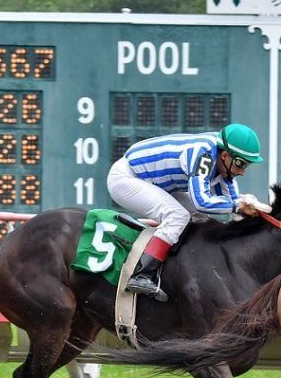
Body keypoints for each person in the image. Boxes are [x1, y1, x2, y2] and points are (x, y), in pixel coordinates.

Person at [106, 123, 266, 301]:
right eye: (240, 164)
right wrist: (238, 206)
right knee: (178, 216)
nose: (242, 172)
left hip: (155, 182)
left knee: (199, 218)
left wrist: (251, 211)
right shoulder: (204, 155)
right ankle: (142, 275)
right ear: (226, 155)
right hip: (127, 178)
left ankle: (172, 261)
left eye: (247, 165)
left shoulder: (224, 163)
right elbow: (202, 201)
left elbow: (232, 204)